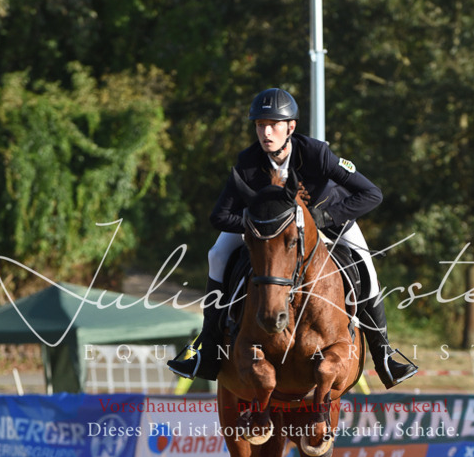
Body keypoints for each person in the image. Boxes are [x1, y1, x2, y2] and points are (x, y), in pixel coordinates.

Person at [168, 87, 417, 389]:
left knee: (365, 262)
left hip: (328, 220)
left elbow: (371, 193)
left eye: (273, 124)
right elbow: (219, 216)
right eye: (260, 125)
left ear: (291, 127)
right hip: (268, 231)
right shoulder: (248, 163)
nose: (266, 132)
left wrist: (323, 218)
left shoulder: (316, 154)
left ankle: (384, 354)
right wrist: (257, 224)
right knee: (217, 255)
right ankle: (206, 350)